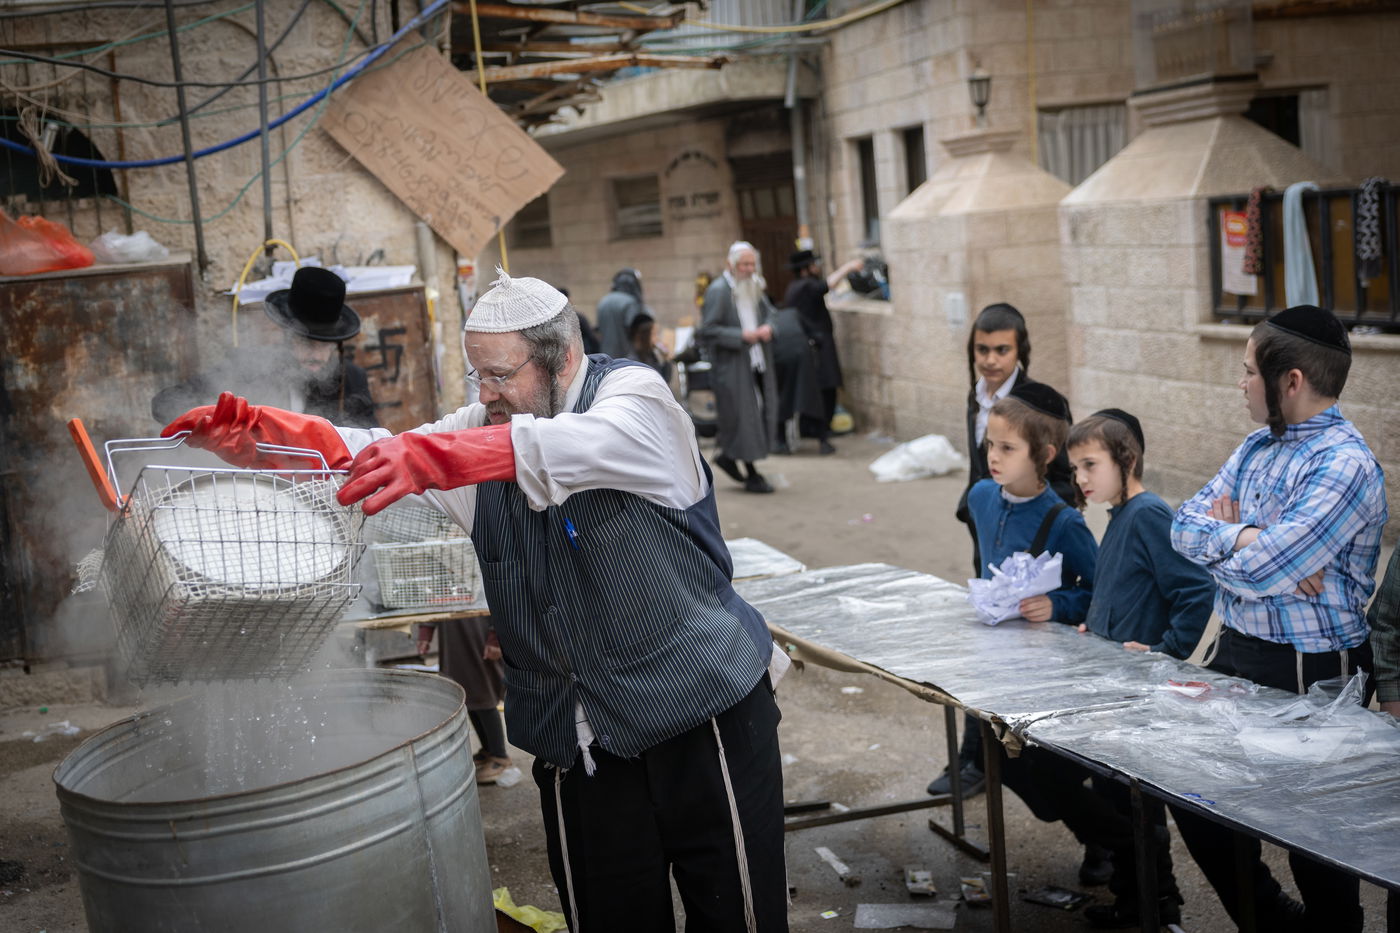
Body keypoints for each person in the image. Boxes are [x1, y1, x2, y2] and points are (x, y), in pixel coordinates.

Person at [162, 270, 791, 932]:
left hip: (701, 716)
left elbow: (563, 447)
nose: (484, 394)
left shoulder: (637, 402)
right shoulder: (485, 421)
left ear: (561, 358)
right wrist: (266, 440)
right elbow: (374, 454)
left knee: (737, 918)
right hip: (579, 739)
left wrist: (435, 455)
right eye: (476, 376)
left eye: (499, 375)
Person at [1170, 305, 1387, 933]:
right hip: (1236, 646)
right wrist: (1251, 538)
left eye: (1246, 372)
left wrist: (1254, 553)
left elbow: (1264, 571)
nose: (1239, 383)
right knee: (1191, 786)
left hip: (1311, 666)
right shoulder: (1256, 445)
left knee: (1311, 831)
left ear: (1289, 380)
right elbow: (1181, 525)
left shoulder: (1343, 465)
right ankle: (1268, 920)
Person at [1064, 408, 1215, 928]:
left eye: (1089, 465)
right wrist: (1094, 623)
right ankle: (1134, 903)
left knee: (1137, 806)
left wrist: (1165, 651)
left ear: (1126, 460)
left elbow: (1195, 589)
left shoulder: (1149, 512)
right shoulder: (1117, 514)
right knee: (1114, 796)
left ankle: (1159, 911)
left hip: (1139, 692)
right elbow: (1123, 588)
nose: (1080, 479)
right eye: (1076, 468)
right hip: (1111, 687)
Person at [929, 304, 1075, 807]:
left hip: (1033, 545)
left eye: (1001, 350)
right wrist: (978, 508)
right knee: (985, 645)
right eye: (982, 349)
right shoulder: (975, 398)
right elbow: (980, 467)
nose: (990, 360)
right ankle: (975, 759)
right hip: (989, 530)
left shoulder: (1042, 405)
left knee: (1025, 658)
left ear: (1021, 351)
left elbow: (1063, 480)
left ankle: (996, 760)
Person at [151, 265, 379, 429]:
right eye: (308, 343)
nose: (317, 356)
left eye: (326, 345)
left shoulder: (352, 381)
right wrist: (216, 421)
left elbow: (368, 443)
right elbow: (165, 404)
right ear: (288, 336)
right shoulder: (249, 366)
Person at [700, 241, 779, 494]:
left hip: (755, 360)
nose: (749, 269)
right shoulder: (718, 290)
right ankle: (751, 473)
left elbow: (771, 313)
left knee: (746, 415)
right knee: (742, 417)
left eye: (752, 264)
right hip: (732, 364)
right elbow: (708, 330)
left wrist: (769, 327)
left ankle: (730, 458)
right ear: (731, 266)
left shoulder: (755, 286)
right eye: (744, 264)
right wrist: (741, 336)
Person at [781, 249, 863, 454]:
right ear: (805, 269)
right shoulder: (804, 286)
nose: (817, 267)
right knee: (824, 389)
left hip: (814, 343)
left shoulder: (795, 287)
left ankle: (820, 430)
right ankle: (821, 432)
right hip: (817, 345)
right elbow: (826, 285)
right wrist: (849, 267)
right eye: (814, 264)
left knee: (825, 388)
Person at [415, 615, 512, 783]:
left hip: (477, 638)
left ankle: (500, 756)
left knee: (483, 696)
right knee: (469, 699)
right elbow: (433, 595)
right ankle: (488, 750)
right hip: (453, 639)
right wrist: (426, 631)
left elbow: (501, 601)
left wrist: (495, 638)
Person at [595, 268, 645, 360]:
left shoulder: (603, 301)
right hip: (627, 358)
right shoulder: (631, 302)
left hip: (606, 358)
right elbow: (634, 331)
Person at [625, 309, 672, 383]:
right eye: (654, 334)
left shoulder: (650, 356)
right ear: (644, 336)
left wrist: (666, 360)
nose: (657, 338)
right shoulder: (633, 361)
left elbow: (664, 381)